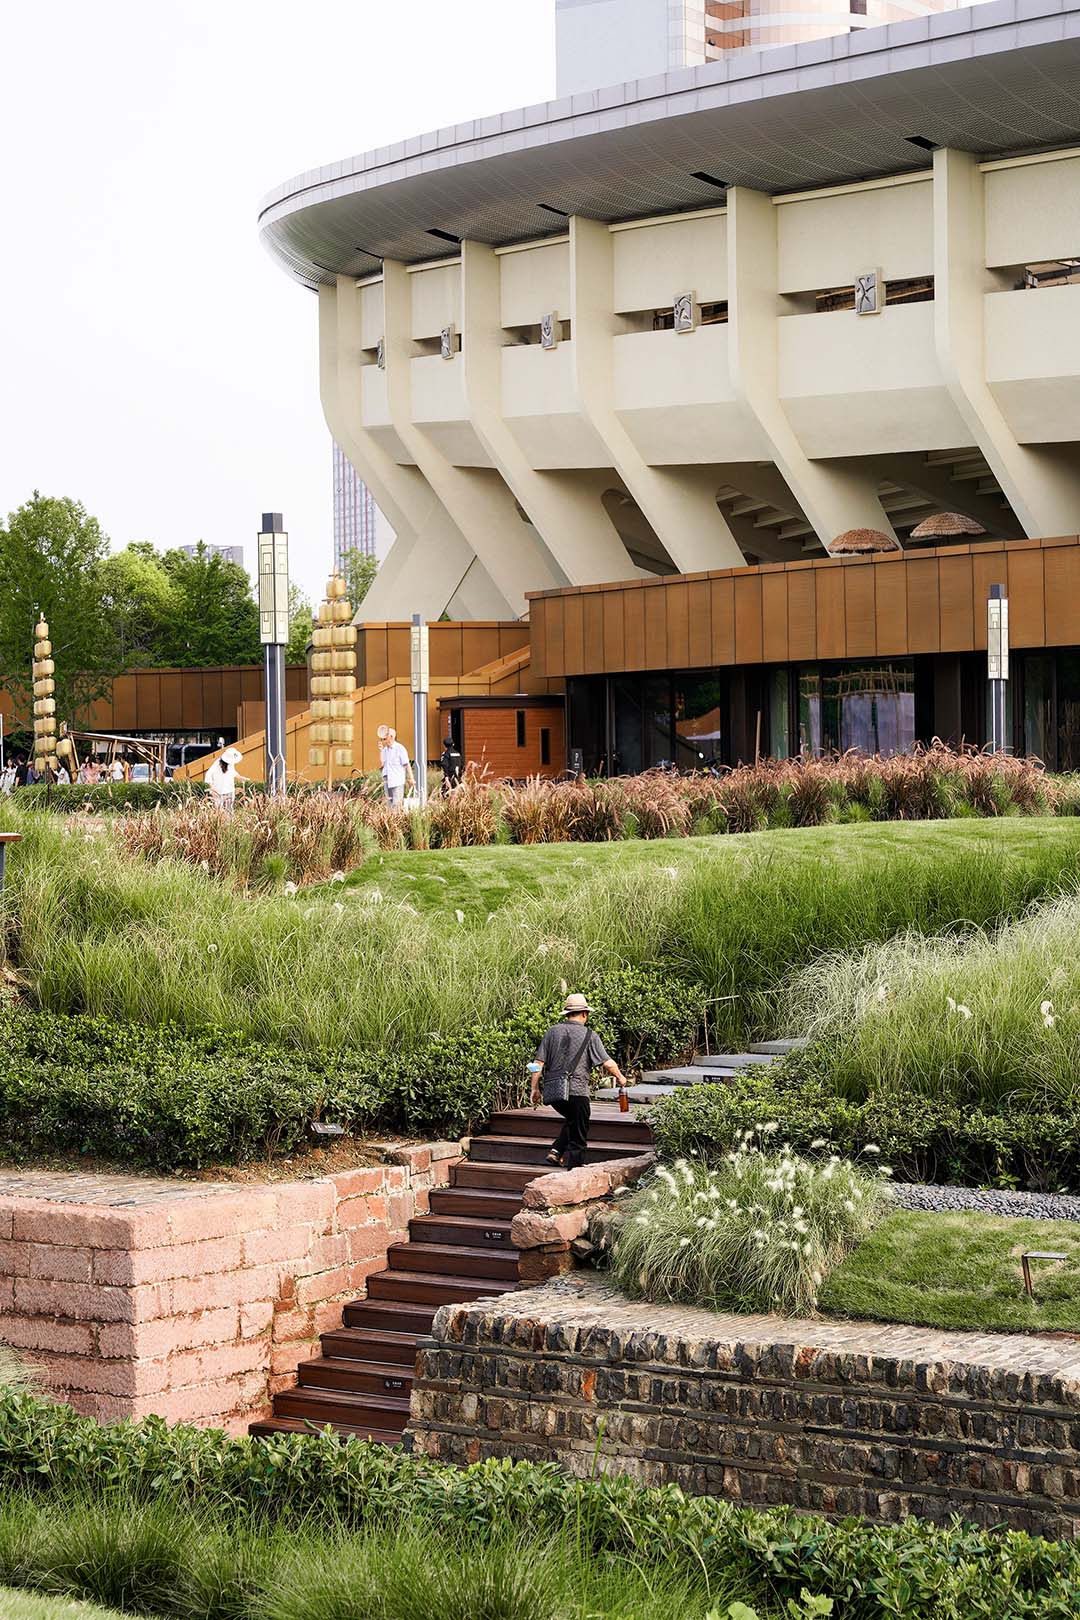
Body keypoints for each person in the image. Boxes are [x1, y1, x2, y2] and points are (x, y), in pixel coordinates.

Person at [529, 993, 629, 1169]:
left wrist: (534, 1088)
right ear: (584, 1013)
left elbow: (537, 1064)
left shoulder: (552, 1031)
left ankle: (556, 1151)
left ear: (567, 1013)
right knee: (578, 1136)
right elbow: (608, 1063)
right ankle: (574, 1174)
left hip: (554, 1092)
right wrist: (620, 1077)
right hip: (577, 1092)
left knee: (573, 1120)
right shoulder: (590, 1035)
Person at [377, 725, 414, 807]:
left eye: (385, 738)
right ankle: (390, 819)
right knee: (389, 804)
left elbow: (407, 764)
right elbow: (382, 764)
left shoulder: (400, 748)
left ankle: (396, 819)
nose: (384, 740)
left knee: (396, 804)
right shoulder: (385, 749)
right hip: (387, 779)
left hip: (397, 780)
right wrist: (380, 751)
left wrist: (411, 778)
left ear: (391, 737)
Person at [203, 746, 245, 810]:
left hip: (230, 790)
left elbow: (233, 772)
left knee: (229, 812)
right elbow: (208, 774)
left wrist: (240, 777)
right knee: (219, 813)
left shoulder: (231, 763)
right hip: (218, 792)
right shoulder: (217, 763)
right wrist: (212, 789)